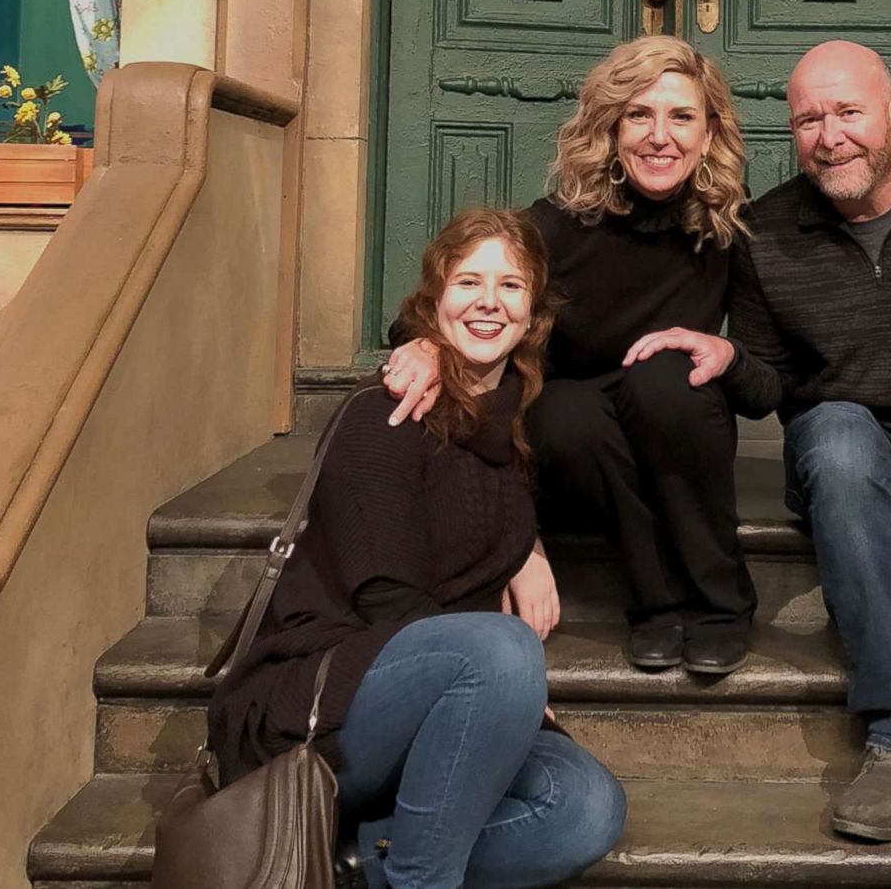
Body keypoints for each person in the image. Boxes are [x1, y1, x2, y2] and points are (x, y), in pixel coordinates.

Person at [624, 41, 891, 886]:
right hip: (841, 463)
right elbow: (772, 382)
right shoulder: (769, 227)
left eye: (849, 113)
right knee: (833, 427)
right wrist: (720, 357)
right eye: (809, 120)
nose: (830, 137)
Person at [206, 208, 626, 889]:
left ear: (533, 315)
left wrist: (530, 551)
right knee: (504, 647)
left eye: (511, 287)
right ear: (434, 302)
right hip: (324, 702)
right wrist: (505, 679)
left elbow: (480, 517)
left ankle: (355, 862)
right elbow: (387, 597)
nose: (490, 302)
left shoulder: (509, 429)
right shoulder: (386, 415)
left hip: (448, 698)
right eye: (468, 282)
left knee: (583, 807)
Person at [382, 36, 757, 674]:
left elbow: (765, 388)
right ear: (610, 128)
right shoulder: (556, 226)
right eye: (638, 114)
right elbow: (458, 303)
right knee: (563, 411)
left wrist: (728, 354)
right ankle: (654, 604)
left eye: (681, 117)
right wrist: (421, 342)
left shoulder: (731, 228)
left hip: (678, 424)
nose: (659, 136)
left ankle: (722, 603)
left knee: (665, 379)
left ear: (709, 132)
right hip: (578, 449)